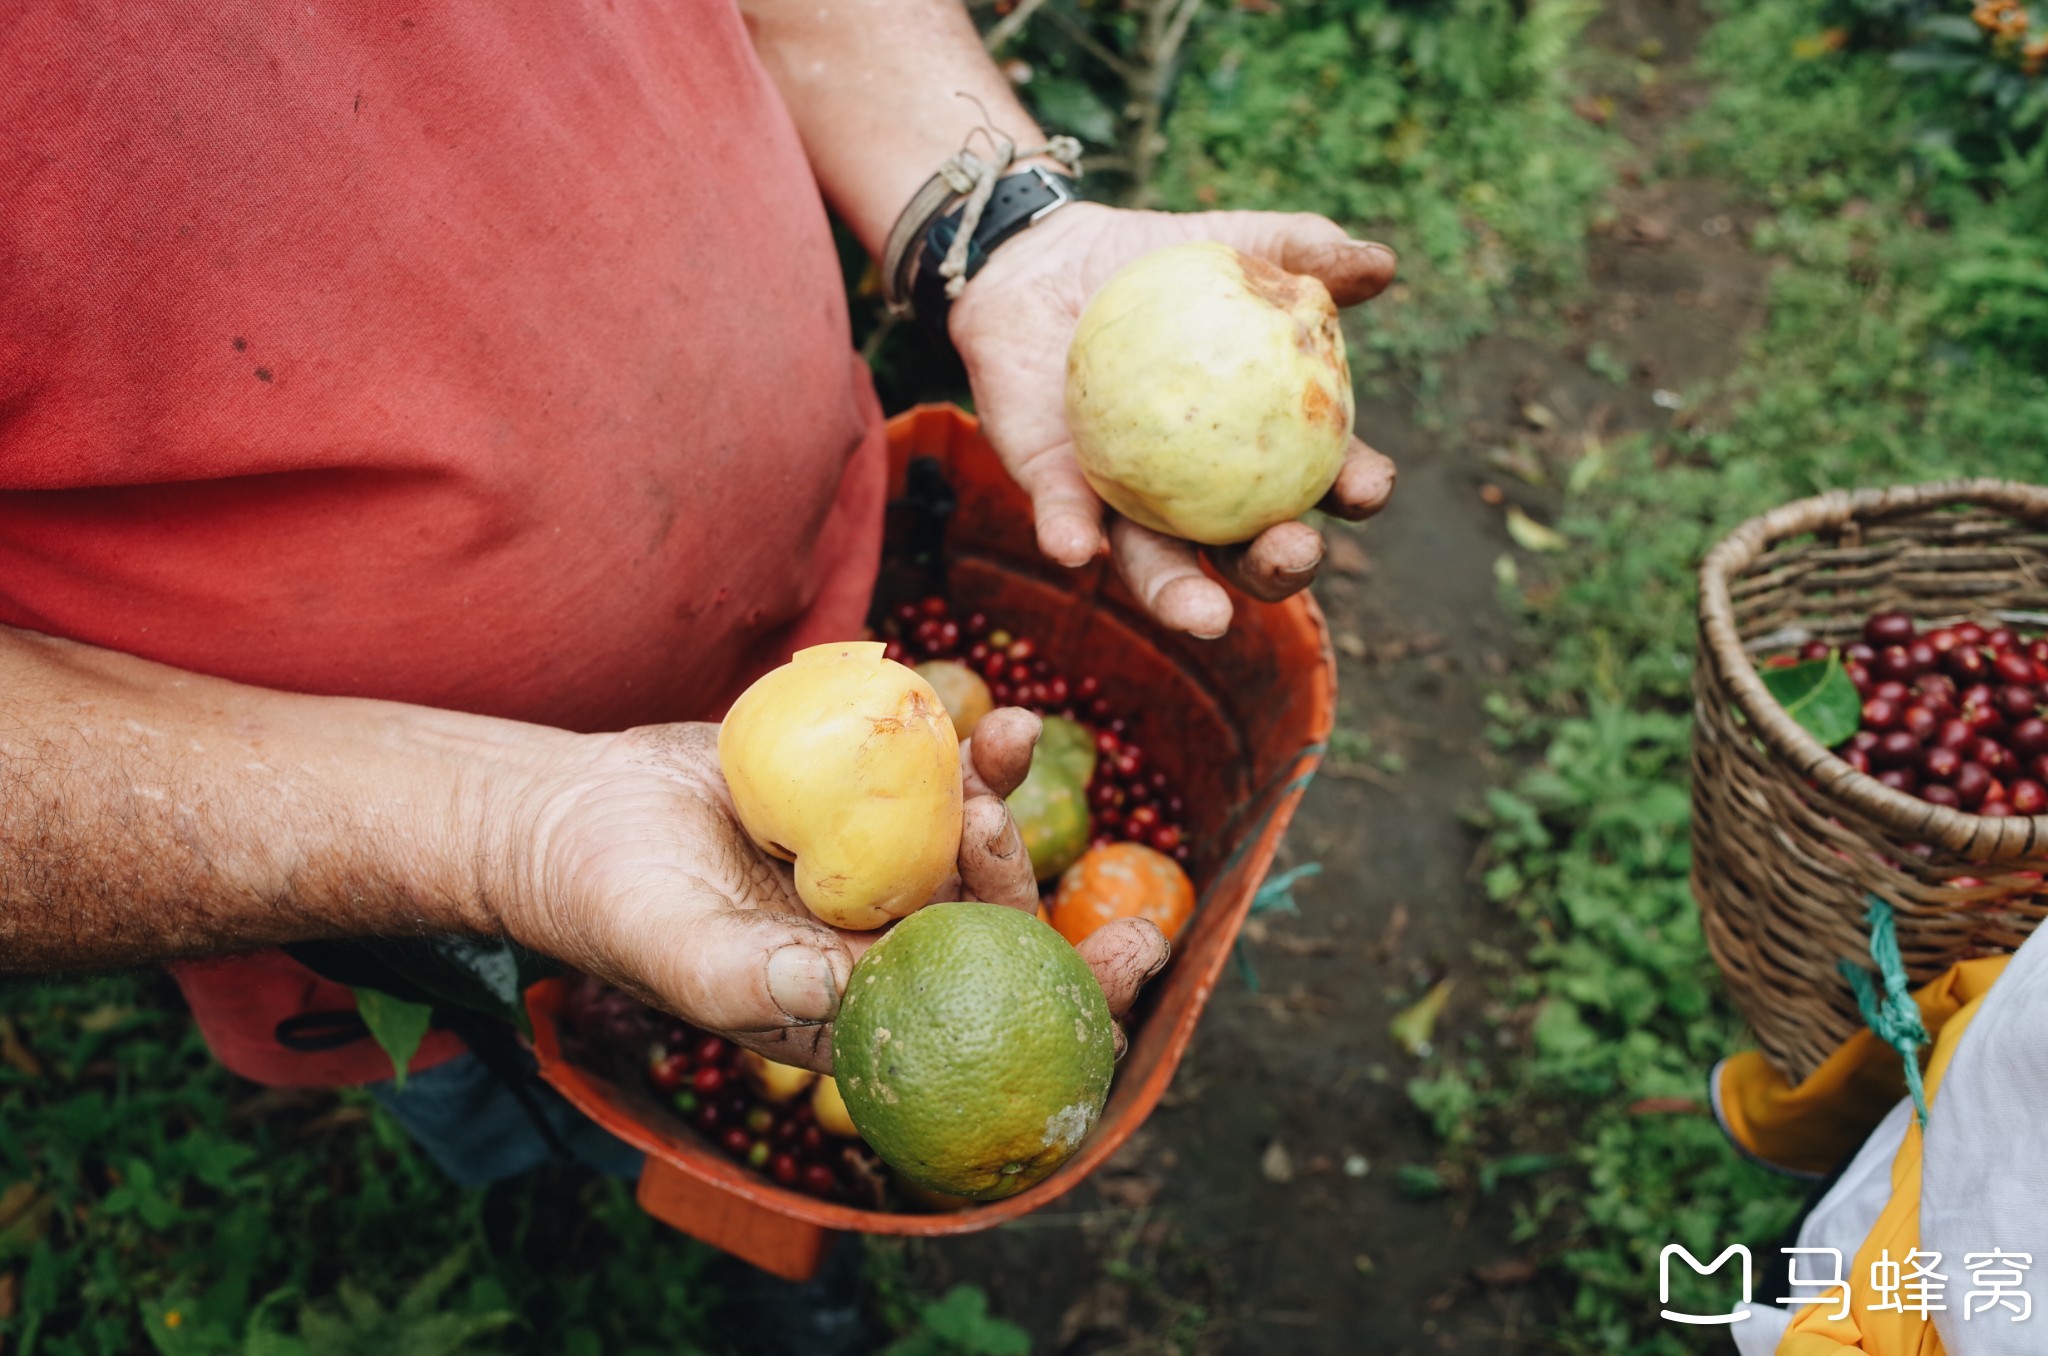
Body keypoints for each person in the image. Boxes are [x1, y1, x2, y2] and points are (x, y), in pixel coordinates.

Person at [0, 0, 1399, 1180]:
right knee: (502, 1092)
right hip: (354, 879)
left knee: (778, 1069)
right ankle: (550, 1190)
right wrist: (503, 832)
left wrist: (1003, 228)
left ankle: (725, 1239)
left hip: (830, 663)